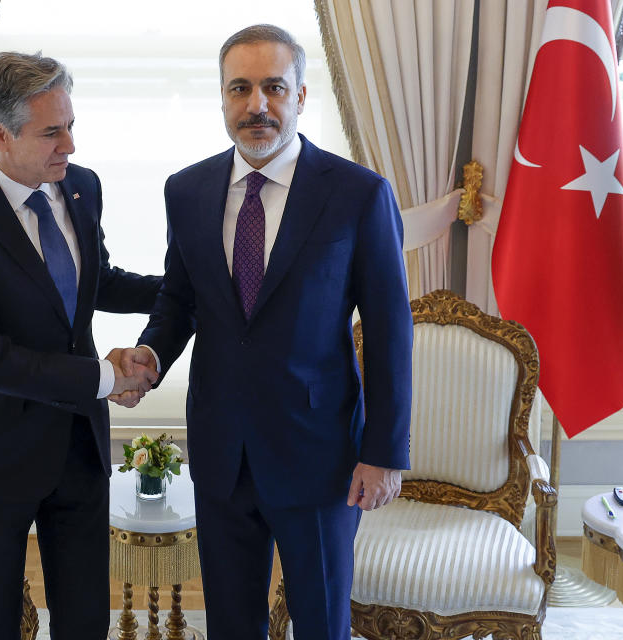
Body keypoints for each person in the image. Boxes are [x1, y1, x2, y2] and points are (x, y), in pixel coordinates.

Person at [111, 25, 413, 640]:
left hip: (321, 454)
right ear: (223, 99)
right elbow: (180, 300)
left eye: (274, 87)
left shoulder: (357, 194)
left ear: (300, 97)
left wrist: (383, 452)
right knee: (231, 621)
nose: (257, 105)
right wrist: (148, 355)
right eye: (240, 88)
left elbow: (389, 330)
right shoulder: (187, 190)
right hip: (223, 451)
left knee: (322, 622)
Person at [0, 51, 161, 640]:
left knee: (84, 621)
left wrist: (189, 292)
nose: (70, 145)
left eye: (71, 124)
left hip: (77, 444)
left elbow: (98, 281)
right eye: (52, 132)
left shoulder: (80, 187)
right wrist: (103, 380)